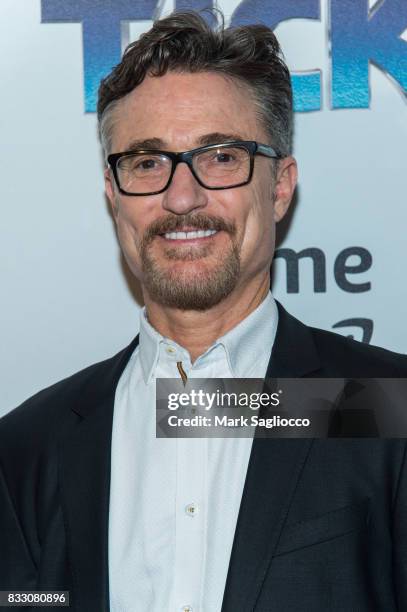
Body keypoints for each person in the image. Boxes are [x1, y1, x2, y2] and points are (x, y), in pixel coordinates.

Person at [1, 10, 407, 612]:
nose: (181, 197)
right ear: (114, 197)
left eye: (220, 156)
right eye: (146, 162)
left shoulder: (383, 405)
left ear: (280, 186)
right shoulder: (30, 446)